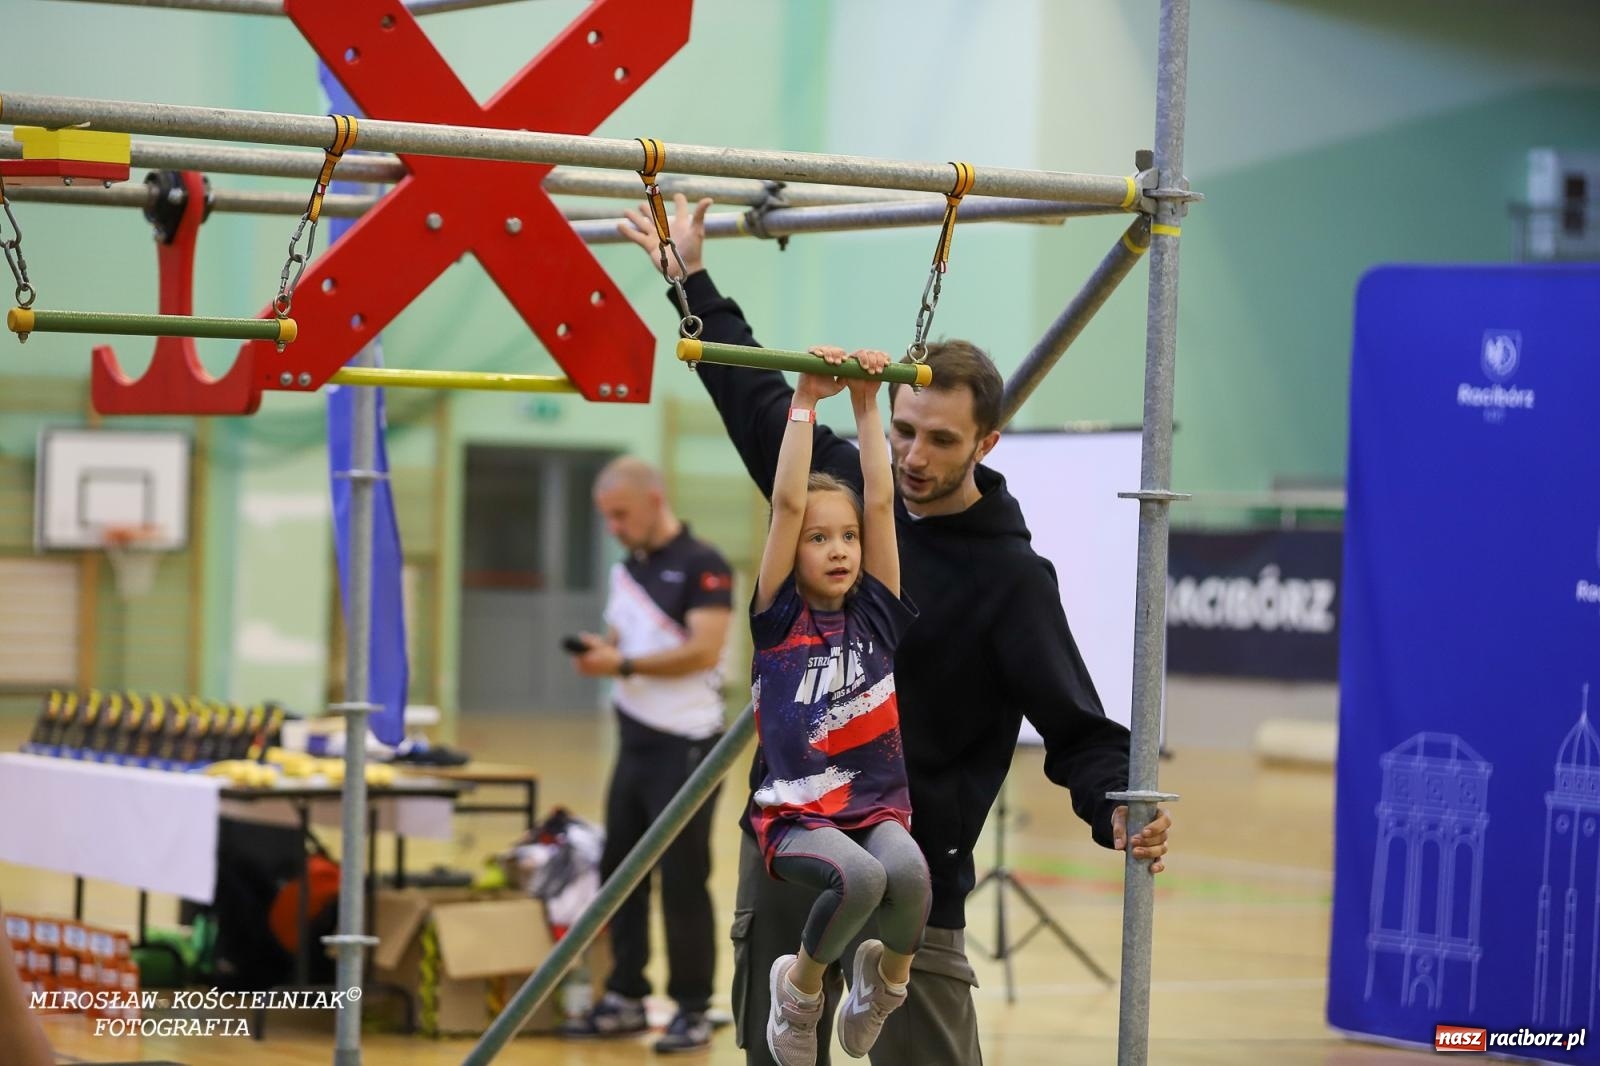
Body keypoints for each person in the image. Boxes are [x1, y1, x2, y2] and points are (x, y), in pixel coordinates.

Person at [619, 195, 1172, 1065]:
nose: (913, 457)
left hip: (914, 870)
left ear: (986, 443)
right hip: (793, 844)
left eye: (941, 441)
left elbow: (1078, 728)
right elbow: (753, 396)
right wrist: (690, 276)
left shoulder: (1008, 578)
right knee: (776, 1051)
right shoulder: (836, 491)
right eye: (903, 431)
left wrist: (1117, 805)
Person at [749, 344, 930, 1065]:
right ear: (792, 552)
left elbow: (881, 501)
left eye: (848, 538)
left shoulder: (877, 615)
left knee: (909, 875)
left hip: (873, 806)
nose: (839, 549)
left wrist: (866, 404)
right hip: (795, 813)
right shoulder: (778, 618)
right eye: (819, 539)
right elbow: (788, 502)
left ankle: (883, 985)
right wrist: (804, 401)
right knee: (860, 878)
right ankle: (798, 992)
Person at [563, 455, 735, 1054]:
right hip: (634, 741)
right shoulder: (627, 570)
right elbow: (621, 641)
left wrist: (625, 664)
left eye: (620, 514)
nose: (613, 527)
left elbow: (704, 651)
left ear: (654, 501)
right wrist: (603, 652)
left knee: (683, 878)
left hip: (687, 747)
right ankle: (626, 996)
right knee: (621, 873)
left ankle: (692, 1007)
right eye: (606, 518)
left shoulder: (704, 564)